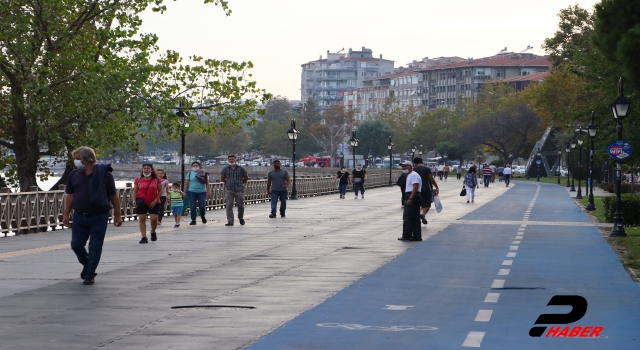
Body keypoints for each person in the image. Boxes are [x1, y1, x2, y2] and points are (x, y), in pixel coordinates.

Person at [64, 146, 122, 285]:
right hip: (79, 216)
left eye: (78, 159)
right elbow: (70, 195)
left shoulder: (104, 174)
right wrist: (66, 214)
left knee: (95, 246)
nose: (77, 162)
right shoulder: (74, 175)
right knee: (76, 244)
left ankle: (90, 274)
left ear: (87, 159)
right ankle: (87, 263)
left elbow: (113, 195)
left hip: (99, 216)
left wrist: (118, 215)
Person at [132, 163, 162, 244]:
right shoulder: (138, 179)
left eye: (148, 168)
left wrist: (155, 200)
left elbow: (160, 191)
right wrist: (134, 200)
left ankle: (153, 231)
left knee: (154, 219)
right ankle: (144, 237)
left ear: (152, 170)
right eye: (144, 168)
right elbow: (135, 191)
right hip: (141, 202)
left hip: (154, 202)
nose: (146, 170)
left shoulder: (156, 179)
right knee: (142, 219)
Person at [221, 155, 248, 226]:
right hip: (229, 189)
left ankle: (240, 218)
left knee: (240, 205)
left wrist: (241, 183)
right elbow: (222, 178)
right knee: (229, 205)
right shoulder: (225, 169)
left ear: (235, 160)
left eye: (232, 159)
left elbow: (245, 178)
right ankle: (230, 221)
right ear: (228, 160)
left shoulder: (241, 169)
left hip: (239, 189)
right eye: (230, 159)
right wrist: (227, 183)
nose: (231, 160)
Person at [398, 160, 422, 241]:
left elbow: (415, 186)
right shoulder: (410, 175)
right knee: (415, 217)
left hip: (412, 196)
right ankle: (416, 236)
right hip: (414, 196)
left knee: (407, 217)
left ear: (410, 166)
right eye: (402, 166)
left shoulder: (413, 175)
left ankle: (406, 235)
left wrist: (410, 198)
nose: (403, 168)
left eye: (404, 166)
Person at [413, 157, 439, 225]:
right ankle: (423, 214)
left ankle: (415, 217)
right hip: (425, 188)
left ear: (414, 163)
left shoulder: (412, 169)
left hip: (415, 189)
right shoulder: (427, 169)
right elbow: (431, 178)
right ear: (421, 162)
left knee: (416, 204)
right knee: (427, 204)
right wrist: (436, 187)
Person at [183, 161, 210, 226]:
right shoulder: (189, 174)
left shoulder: (204, 174)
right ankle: (193, 220)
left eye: (196, 165)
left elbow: (207, 183)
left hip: (202, 191)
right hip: (192, 191)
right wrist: (184, 192)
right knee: (192, 206)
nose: (195, 167)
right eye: (193, 166)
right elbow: (186, 183)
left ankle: (202, 216)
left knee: (202, 206)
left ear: (200, 166)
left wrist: (208, 192)